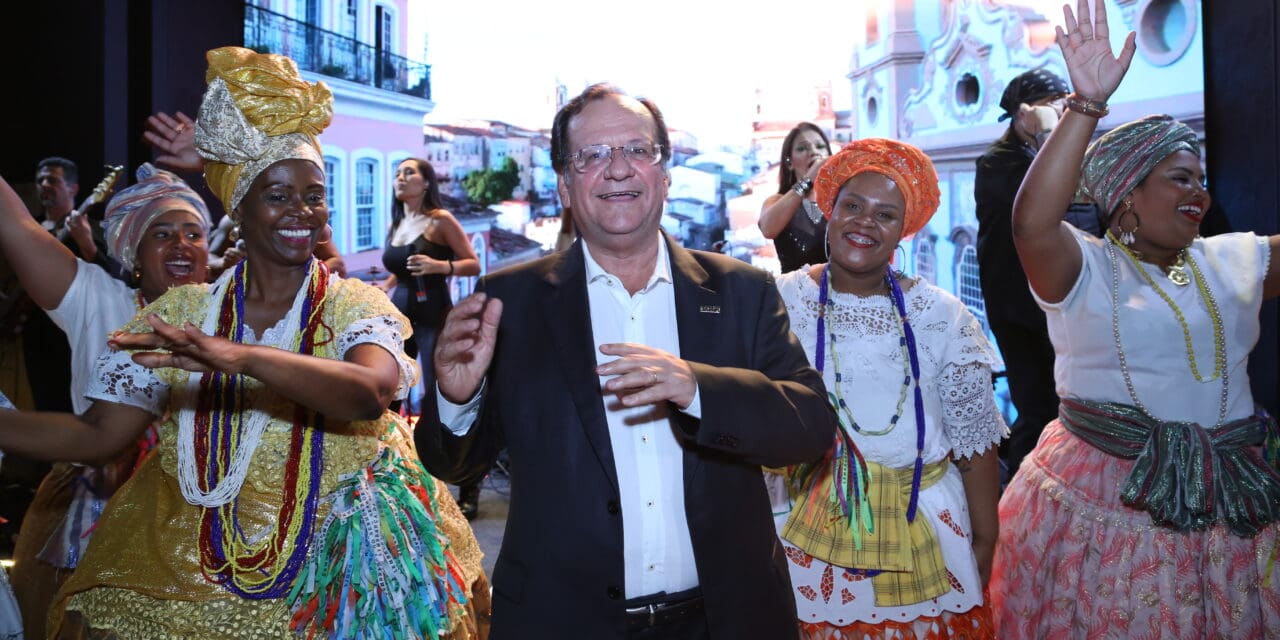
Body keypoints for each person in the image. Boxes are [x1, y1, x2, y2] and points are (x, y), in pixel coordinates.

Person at [0, 46, 488, 639]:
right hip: (185, 562)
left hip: (332, 573)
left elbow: (370, 390)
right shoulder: (184, 311)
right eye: (278, 195)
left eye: (313, 194)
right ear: (241, 206)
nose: (301, 212)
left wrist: (237, 356)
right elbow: (98, 435)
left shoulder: (352, 305)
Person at [415, 83, 837, 639]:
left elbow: (810, 428)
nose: (617, 170)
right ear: (565, 187)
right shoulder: (508, 302)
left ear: (664, 173)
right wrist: (456, 398)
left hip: (725, 618)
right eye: (592, 156)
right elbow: (454, 466)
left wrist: (697, 389)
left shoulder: (742, 291)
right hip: (564, 621)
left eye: (637, 151)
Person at [991, 1, 1280, 636]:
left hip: (1231, 505)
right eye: (1179, 179)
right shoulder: (1084, 268)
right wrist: (1086, 105)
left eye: (1201, 180)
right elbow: (1029, 222)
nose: (1198, 194)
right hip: (1107, 504)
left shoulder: (1232, 258)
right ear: (1126, 196)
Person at [770, 139, 1005, 639]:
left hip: (929, 526)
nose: (864, 223)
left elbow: (974, 443)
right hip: (802, 528)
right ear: (828, 212)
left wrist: (984, 543)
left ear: (904, 230)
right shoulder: (779, 300)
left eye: (885, 214)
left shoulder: (943, 315)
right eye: (852, 206)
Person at [0, 162, 212, 639]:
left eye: (193, 233)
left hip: (197, 519)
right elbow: (15, 225)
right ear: (134, 251)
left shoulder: (233, 319)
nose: (181, 244)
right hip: (89, 505)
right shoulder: (98, 297)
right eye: (162, 233)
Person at [974, 67, 1104, 477]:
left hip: (1068, 300)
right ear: (1022, 114)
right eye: (1052, 106)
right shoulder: (997, 163)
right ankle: (1021, 504)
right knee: (1038, 408)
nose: (1061, 113)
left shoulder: (1073, 152)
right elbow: (1046, 204)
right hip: (1021, 311)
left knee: (1073, 405)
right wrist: (1051, 136)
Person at [758, 122, 832, 273]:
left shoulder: (841, 202)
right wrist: (809, 179)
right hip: (794, 294)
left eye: (820, 146)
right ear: (789, 163)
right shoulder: (776, 201)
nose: (813, 152)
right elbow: (768, 229)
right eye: (802, 148)